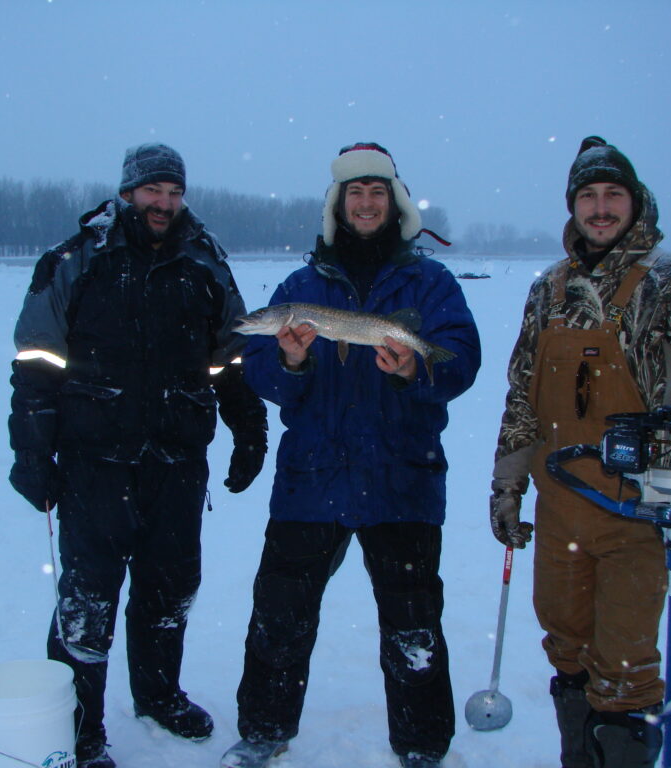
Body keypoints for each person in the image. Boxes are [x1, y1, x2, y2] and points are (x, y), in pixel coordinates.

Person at [489, 136, 671, 768]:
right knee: (567, 651)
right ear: (573, 206)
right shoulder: (549, 289)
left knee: (626, 665)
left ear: (636, 203)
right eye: (588, 196)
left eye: (613, 195)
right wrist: (507, 485)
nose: (600, 208)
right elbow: (522, 396)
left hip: (641, 509)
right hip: (561, 509)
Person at [220, 142, 482, 768]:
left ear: (394, 205)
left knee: (413, 625)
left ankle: (421, 747)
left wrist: (412, 368)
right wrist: (288, 358)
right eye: (354, 194)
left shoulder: (430, 281)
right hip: (313, 477)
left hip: (402, 477)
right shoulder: (301, 287)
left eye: (376, 193)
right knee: (279, 617)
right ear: (337, 207)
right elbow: (264, 376)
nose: (365, 204)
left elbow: (461, 361)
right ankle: (262, 733)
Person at [7, 143, 268, 768]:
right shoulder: (76, 261)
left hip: (177, 459)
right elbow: (36, 362)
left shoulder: (204, 262)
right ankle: (81, 728)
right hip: (94, 461)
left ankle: (157, 694)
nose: (164, 203)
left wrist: (249, 427)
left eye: (174, 193)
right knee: (89, 599)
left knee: (170, 587)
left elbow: (231, 355)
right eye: (153, 191)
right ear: (127, 193)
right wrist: (31, 452)